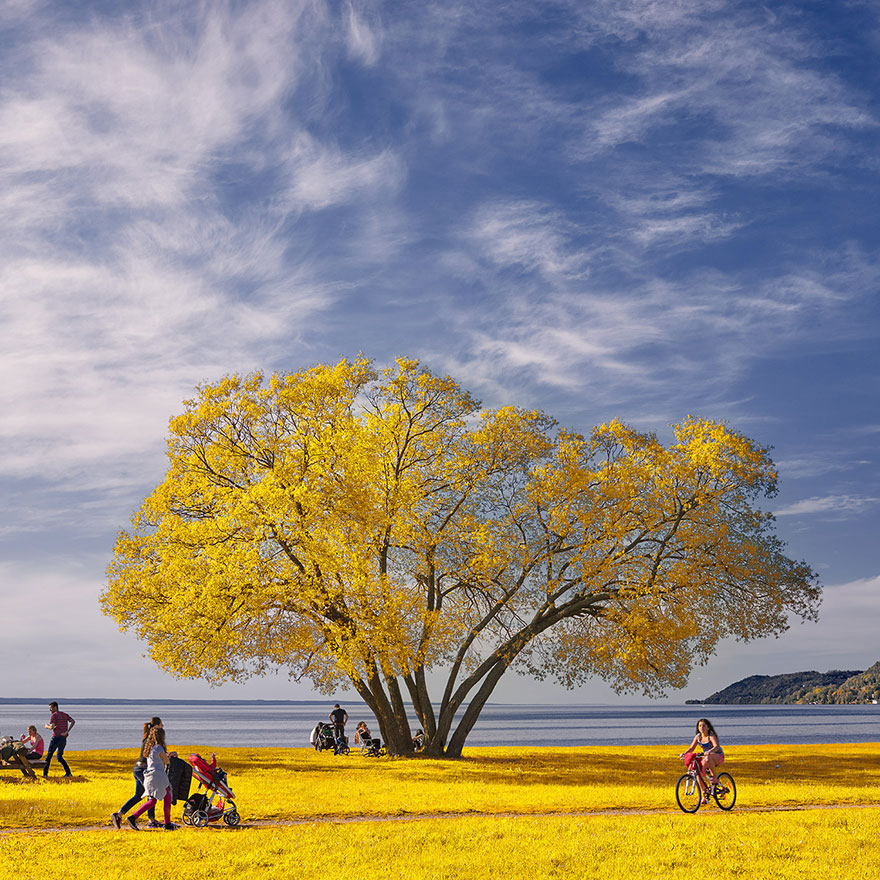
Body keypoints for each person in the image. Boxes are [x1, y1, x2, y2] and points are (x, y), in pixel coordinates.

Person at [124, 723, 178, 830]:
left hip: (149, 775)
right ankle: (167, 823)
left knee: (153, 800)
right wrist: (171, 755)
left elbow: (157, 759)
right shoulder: (159, 748)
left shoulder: (150, 748)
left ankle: (133, 817)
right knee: (167, 796)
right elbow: (167, 762)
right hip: (158, 775)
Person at [110, 718, 160, 829]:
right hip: (143, 770)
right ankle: (150, 820)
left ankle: (118, 815)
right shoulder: (152, 740)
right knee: (151, 794)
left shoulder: (147, 738)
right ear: (157, 727)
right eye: (161, 725)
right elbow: (157, 754)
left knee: (138, 795)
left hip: (137, 768)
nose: (163, 726)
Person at [680, 718, 724, 803]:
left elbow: (716, 746)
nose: (702, 727)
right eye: (700, 726)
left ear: (708, 727)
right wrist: (684, 754)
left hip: (718, 756)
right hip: (707, 757)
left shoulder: (710, 735)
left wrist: (709, 752)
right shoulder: (698, 737)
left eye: (704, 726)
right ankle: (705, 794)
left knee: (708, 758)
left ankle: (714, 777)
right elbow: (691, 748)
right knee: (697, 773)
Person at [43, 701, 75, 778]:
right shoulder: (64, 714)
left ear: (55, 707)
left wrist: (46, 726)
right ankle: (68, 773)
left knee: (49, 756)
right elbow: (73, 721)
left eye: (51, 708)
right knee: (59, 757)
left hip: (56, 738)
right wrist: (67, 731)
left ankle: (45, 774)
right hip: (63, 739)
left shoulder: (54, 715)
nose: (50, 710)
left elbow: (52, 727)